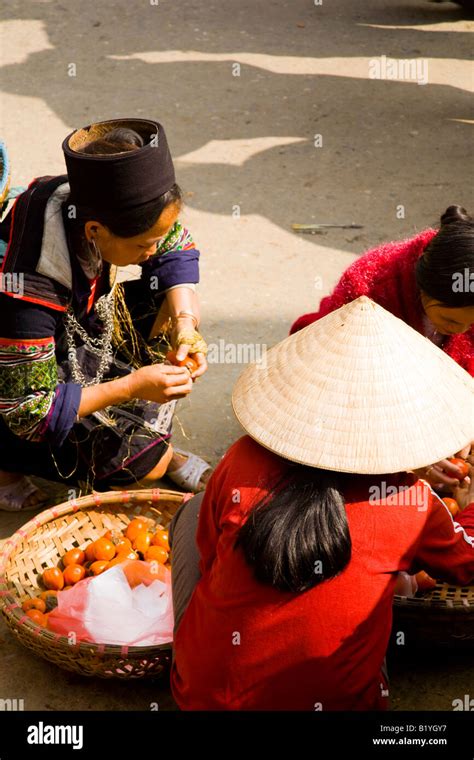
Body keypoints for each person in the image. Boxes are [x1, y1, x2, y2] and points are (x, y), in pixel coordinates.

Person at [168, 296, 474, 710]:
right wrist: (467, 505)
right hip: (340, 704)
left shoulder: (242, 459)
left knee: (195, 509)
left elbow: (209, 560)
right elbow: (465, 566)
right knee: (374, 610)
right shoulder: (411, 501)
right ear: (399, 421)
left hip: (207, 699)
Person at [0, 118, 212, 511]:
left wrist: (185, 323)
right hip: (13, 383)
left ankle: (150, 445)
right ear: (96, 230)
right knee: (139, 463)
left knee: (162, 303)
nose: (151, 252)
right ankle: (6, 463)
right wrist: (130, 387)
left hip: (65, 333)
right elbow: (28, 411)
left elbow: (174, 242)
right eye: (141, 246)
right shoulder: (28, 290)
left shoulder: (82, 200)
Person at [289, 206, 474, 492]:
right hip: (363, 404)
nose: (461, 332)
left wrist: (462, 424)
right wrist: (409, 460)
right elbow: (340, 392)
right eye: (449, 320)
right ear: (422, 289)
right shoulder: (369, 291)